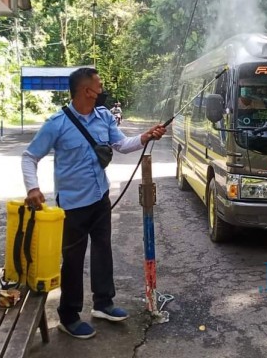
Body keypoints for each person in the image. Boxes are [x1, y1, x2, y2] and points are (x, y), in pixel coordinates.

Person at [21, 68, 166, 339]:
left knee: (102, 250)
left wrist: (146, 136)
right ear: (87, 91)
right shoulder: (57, 123)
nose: (102, 89)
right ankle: (69, 316)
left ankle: (103, 303)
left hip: (100, 198)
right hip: (72, 205)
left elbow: (122, 145)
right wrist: (33, 187)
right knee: (73, 261)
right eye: (99, 85)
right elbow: (29, 157)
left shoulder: (105, 117)